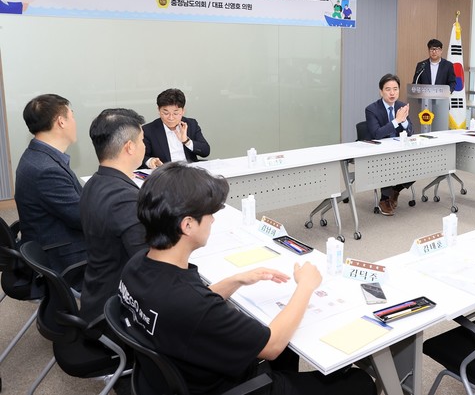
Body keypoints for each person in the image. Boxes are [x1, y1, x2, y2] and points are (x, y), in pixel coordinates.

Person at [117, 163, 376, 395]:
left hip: (172, 376)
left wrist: (236, 280)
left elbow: (189, 307)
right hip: (231, 386)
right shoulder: (192, 304)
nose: (213, 220)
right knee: (360, 382)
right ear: (187, 225)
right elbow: (272, 346)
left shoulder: (137, 265)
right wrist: (306, 286)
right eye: (209, 214)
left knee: (286, 343)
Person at [79, 108, 148, 322]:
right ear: (129, 147)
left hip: (96, 290)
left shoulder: (94, 182)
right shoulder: (125, 198)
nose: (145, 146)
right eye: (142, 140)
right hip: (116, 308)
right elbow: (148, 263)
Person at [15, 94, 86, 273]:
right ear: (61, 122)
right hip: (63, 253)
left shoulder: (37, 155)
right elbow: (83, 218)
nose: (75, 122)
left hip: (49, 238)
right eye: (72, 116)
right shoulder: (47, 170)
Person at [365, 73, 414, 216]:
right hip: (380, 152)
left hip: (399, 148)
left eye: (395, 89)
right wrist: (396, 121)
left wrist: (404, 121)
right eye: (388, 89)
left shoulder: (402, 106)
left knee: (419, 162)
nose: (392, 93)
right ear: (381, 92)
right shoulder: (372, 109)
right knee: (388, 161)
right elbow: (377, 134)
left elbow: (411, 131)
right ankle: (385, 198)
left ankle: (395, 190)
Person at [142, 88, 210, 168]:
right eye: (166, 113)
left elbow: (205, 151)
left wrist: (186, 141)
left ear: (183, 111)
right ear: (159, 110)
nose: (171, 118)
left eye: (175, 113)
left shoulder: (191, 124)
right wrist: (150, 161)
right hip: (166, 172)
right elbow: (140, 157)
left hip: (189, 171)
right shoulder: (148, 130)